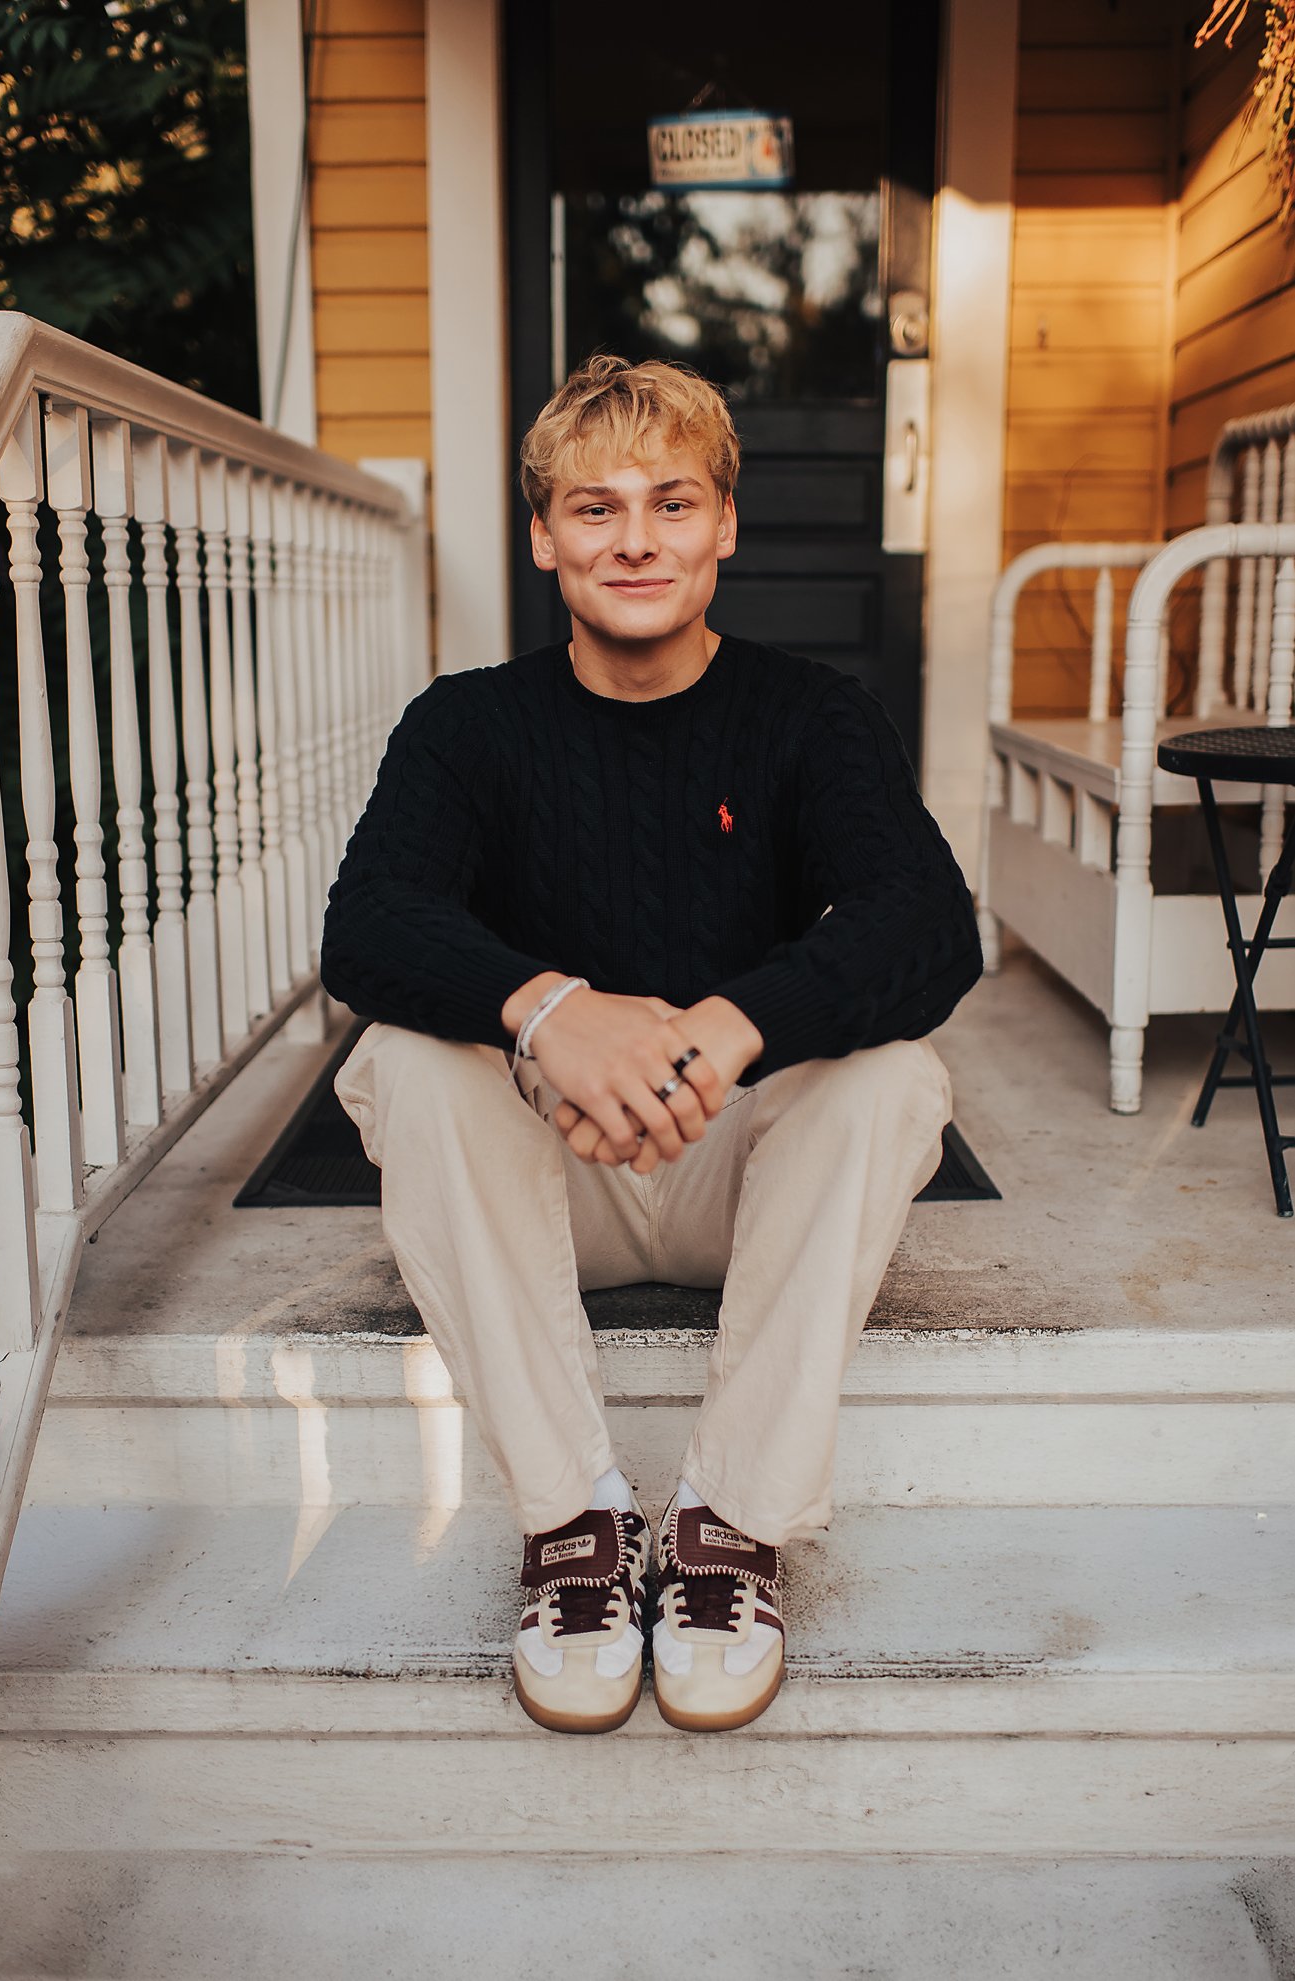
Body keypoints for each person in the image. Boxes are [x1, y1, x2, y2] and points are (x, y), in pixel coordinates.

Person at [320, 353, 982, 1737]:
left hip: (738, 1183)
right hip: (546, 1181)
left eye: (671, 502)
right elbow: (368, 925)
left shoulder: (809, 716)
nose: (633, 538)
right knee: (401, 1056)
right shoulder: (468, 724)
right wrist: (556, 1011)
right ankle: (573, 1527)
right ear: (544, 537)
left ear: (724, 524)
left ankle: (726, 1529)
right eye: (594, 506)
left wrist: (731, 1028)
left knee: (893, 1074)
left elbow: (925, 924)